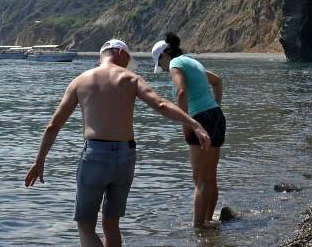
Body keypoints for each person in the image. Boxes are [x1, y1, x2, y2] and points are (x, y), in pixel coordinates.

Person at [25, 39, 211, 247]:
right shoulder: (130, 78)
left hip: (95, 155)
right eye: (127, 59)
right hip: (125, 157)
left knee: (86, 226)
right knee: (111, 224)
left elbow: (53, 126)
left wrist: (39, 160)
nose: (126, 64)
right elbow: (160, 104)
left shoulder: (80, 81)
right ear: (120, 53)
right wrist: (193, 123)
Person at [152, 33, 225, 228]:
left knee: (200, 180)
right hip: (216, 117)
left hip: (200, 119)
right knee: (210, 176)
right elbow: (217, 81)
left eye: (161, 65)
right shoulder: (192, 62)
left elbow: (182, 93)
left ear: (164, 56)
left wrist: (187, 125)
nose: (164, 69)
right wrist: (215, 105)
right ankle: (209, 220)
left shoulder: (176, 64)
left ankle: (198, 228)